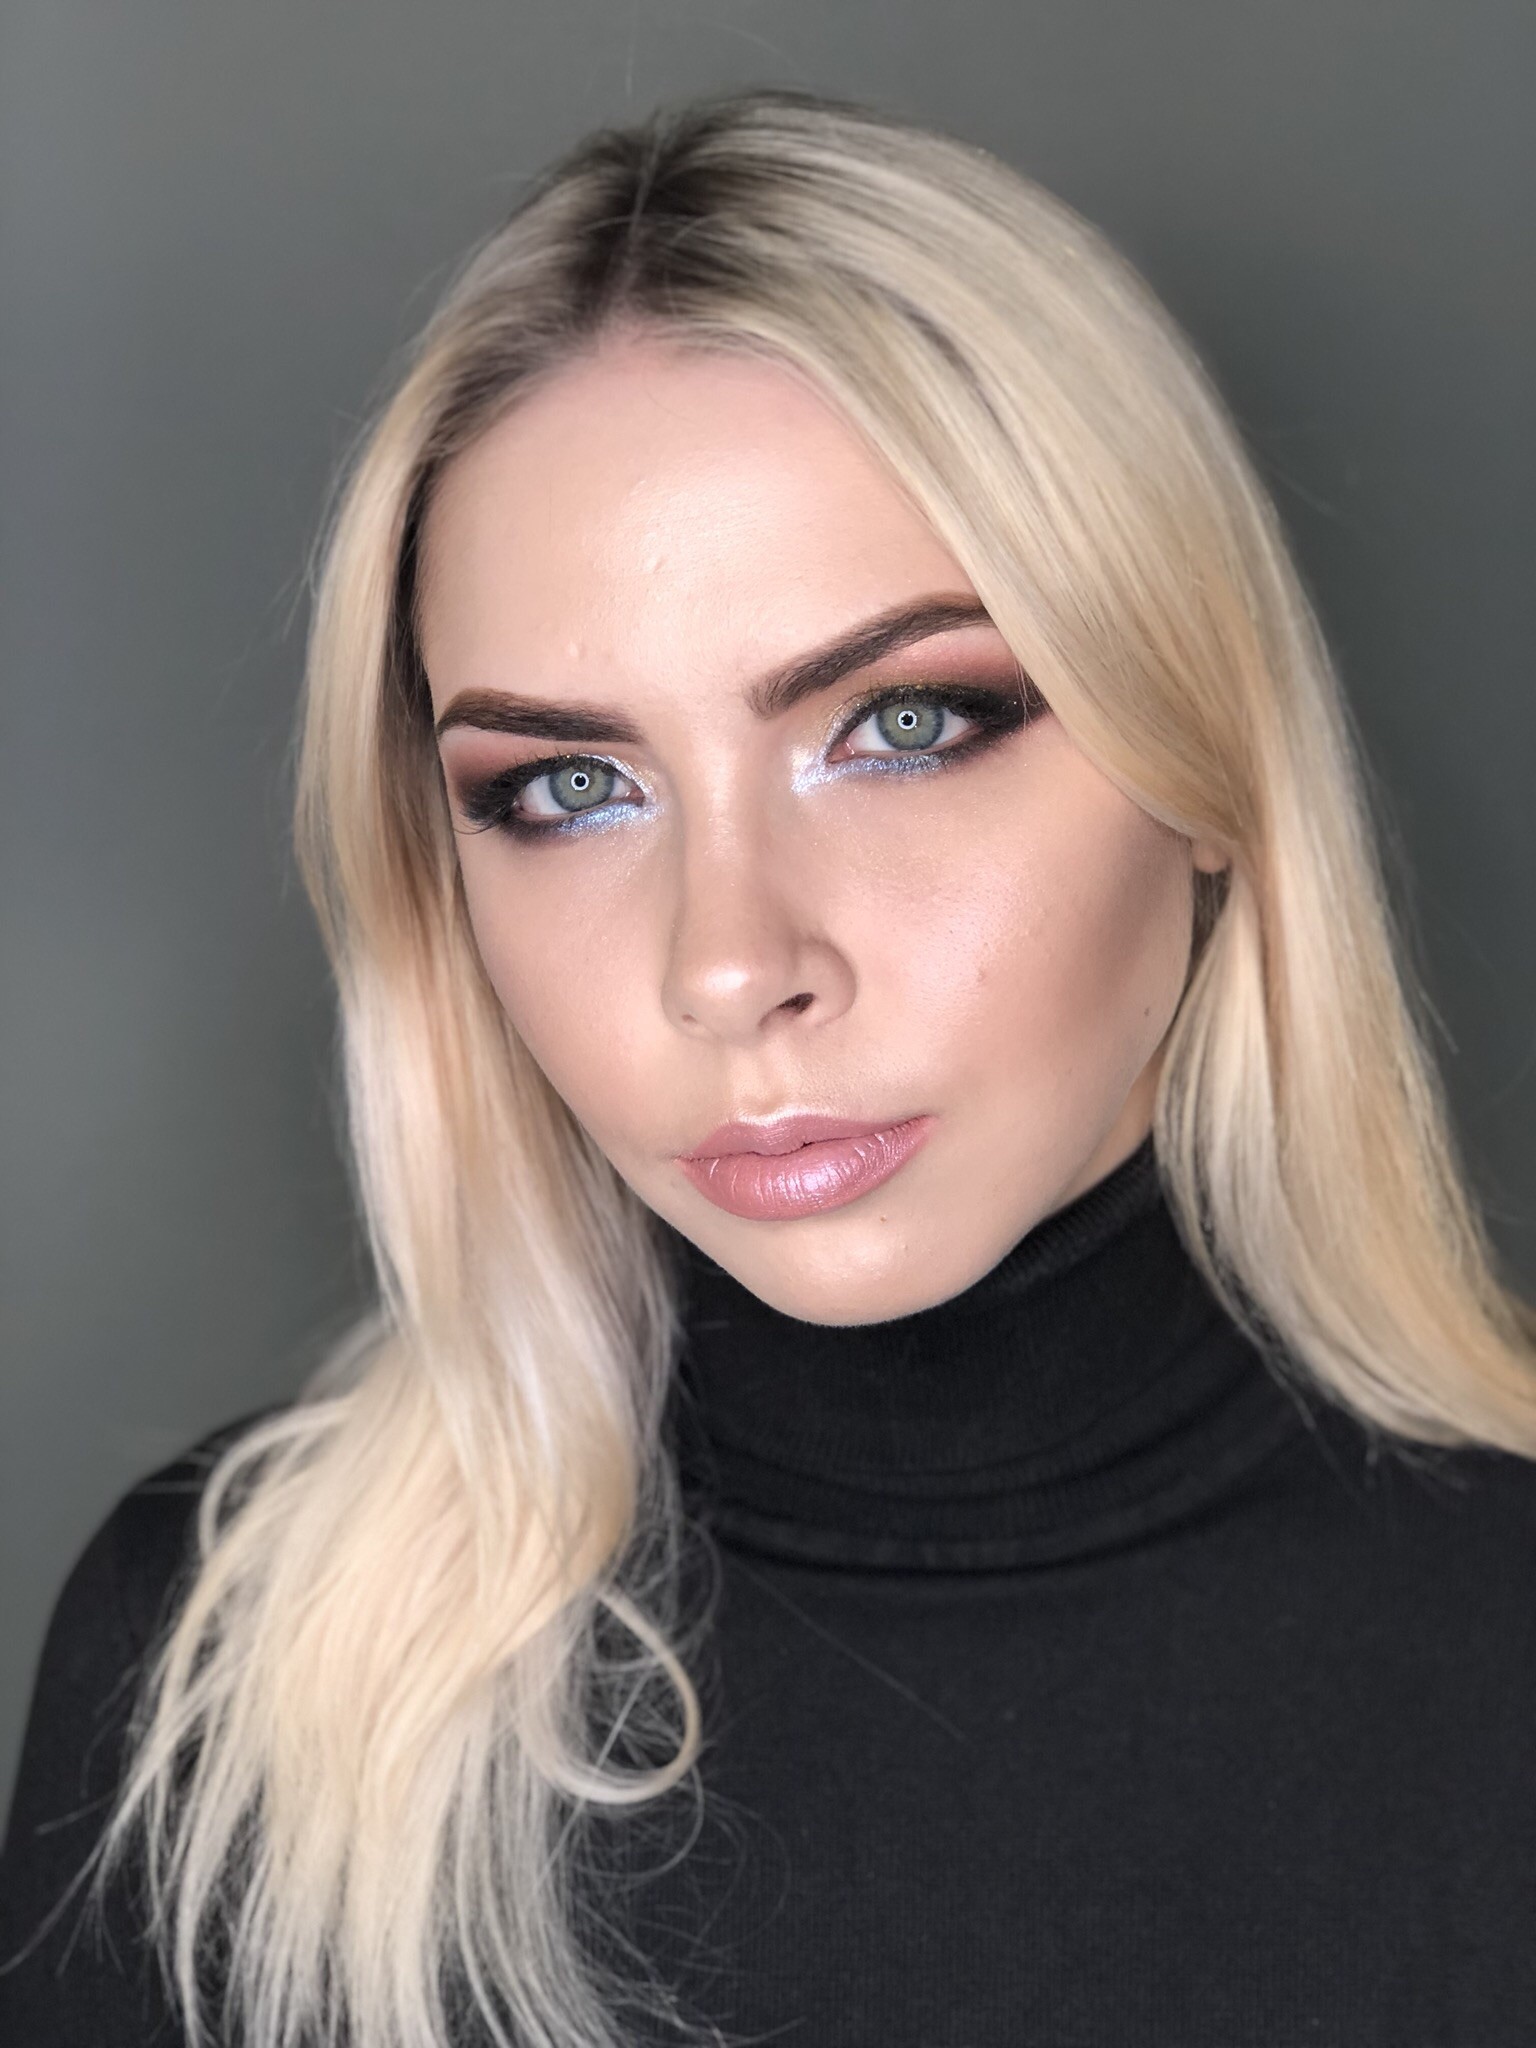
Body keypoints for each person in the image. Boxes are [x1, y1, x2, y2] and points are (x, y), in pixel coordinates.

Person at [2, 83, 1533, 2048]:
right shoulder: (222, 1688)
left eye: (902, 726)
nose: (729, 965)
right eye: (570, 788)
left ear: (1207, 763)